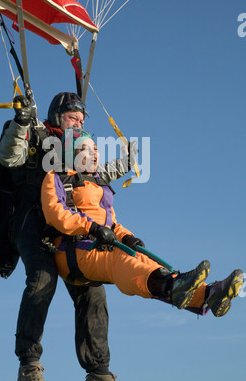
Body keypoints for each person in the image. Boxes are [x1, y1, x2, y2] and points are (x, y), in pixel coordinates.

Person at [0, 92, 135, 381]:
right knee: (43, 278)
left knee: (91, 289)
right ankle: (29, 365)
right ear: (58, 116)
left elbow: (90, 177)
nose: (78, 123)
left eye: (82, 120)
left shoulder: (78, 145)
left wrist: (125, 163)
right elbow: (9, 156)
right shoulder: (36, 135)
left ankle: (98, 372)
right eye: (73, 117)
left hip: (68, 226)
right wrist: (20, 124)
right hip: (33, 221)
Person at [41, 128, 244, 326]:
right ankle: (172, 286)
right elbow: (55, 213)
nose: (95, 153)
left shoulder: (97, 183)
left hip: (101, 244)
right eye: (87, 149)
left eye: (95, 148)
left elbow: (111, 223)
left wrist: (127, 236)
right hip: (73, 251)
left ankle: (208, 295)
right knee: (120, 261)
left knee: (144, 258)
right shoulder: (57, 177)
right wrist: (91, 228)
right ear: (72, 153)